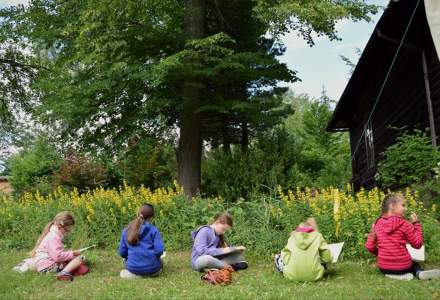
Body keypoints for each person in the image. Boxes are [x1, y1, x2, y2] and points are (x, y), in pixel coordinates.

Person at [365, 193, 440, 280]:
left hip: (384, 268)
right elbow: (417, 244)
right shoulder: (405, 224)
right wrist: (416, 224)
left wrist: (381, 254)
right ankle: (418, 273)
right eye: (403, 205)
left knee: (397, 265)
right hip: (403, 267)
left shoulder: (377, 224)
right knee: (414, 263)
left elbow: (369, 246)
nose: (406, 208)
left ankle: (393, 275)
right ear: (392, 206)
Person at [31, 211, 88, 281]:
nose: (68, 233)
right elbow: (57, 257)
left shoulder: (53, 235)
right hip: (48, 267)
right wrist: (72, 253)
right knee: (79, 259)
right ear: (60, 226)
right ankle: (64, 273)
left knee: (74, 260)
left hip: (45, 266)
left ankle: (68, 270)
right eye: (68, 230)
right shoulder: (53, 237)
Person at [274, 217, 332, 281]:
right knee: (320, 258)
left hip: (291, 275)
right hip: (315, 276)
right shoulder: (318, 236)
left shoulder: (292, 237)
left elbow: (285, 256)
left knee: (278, 257)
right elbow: (327, 258)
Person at [118, 203, 164, 279]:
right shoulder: (154, 230)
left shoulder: (126, 230)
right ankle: (147, 273)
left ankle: (134, 274)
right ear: (151, 217)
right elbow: (159, 251)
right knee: (161, 263)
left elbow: (122, 252)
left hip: (133, 268)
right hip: (153, 269)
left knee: (123, 271)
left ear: (138, 213)